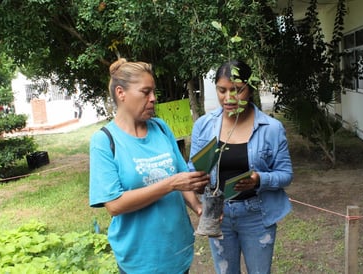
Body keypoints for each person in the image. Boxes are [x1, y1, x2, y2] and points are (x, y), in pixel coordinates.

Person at [89, 58, 209, 274]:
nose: (153, 99)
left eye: (153, 92)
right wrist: (170, 184)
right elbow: (114, 205)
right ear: (120, 93)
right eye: (145, 92)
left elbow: (182, 176)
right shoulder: (104, 140)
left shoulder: (161, 128)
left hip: (177, 250)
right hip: (140, 259)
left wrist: (199, 207)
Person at [188, 60, 293, 274]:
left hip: (257, 214)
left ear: (250, 89)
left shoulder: (271, 129)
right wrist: (197, 181)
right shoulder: (204, 126)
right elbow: (194, 169)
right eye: (222, 90)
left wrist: (259, 179)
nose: (228, 98)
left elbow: (285, 174)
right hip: (219, 213)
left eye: (236, 90)